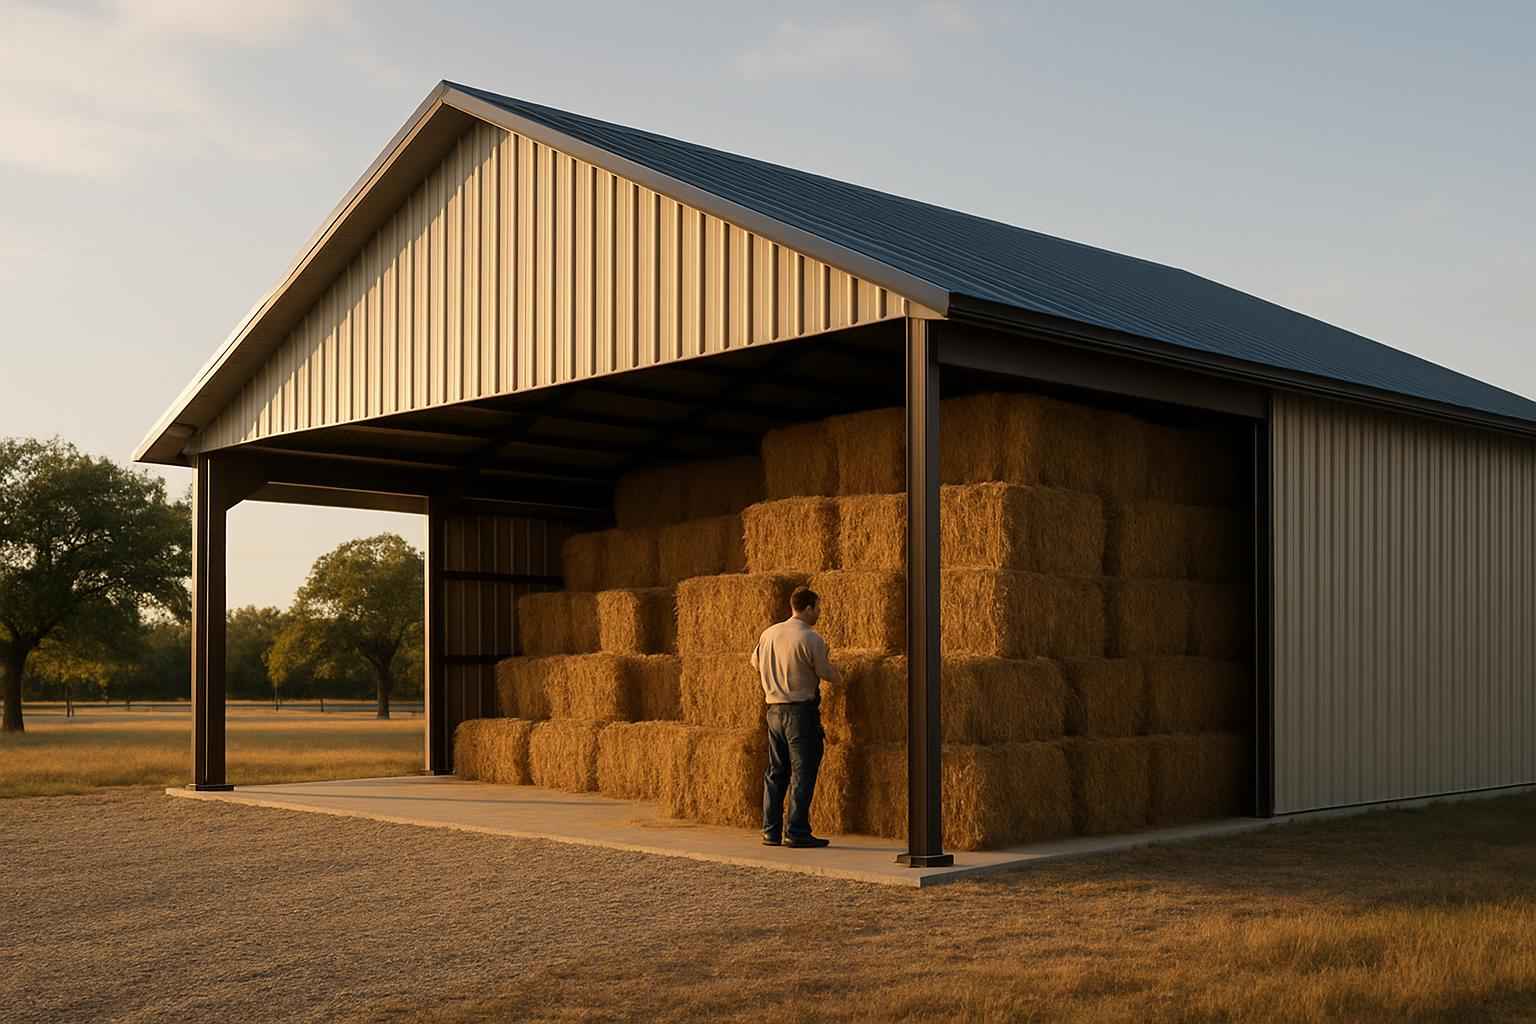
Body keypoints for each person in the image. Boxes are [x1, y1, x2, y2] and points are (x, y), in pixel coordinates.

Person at [750, 586, 843, 849]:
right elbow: (825, 671)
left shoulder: (768, 634)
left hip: (773, 711)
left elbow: (754, 663)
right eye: (818, 608)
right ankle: (797, 831)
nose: (819, 613)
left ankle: (770, 831)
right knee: (803, 772)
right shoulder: (811, 638)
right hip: (800, 713)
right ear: (809, 607)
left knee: (775, 772)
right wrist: (843, 677)